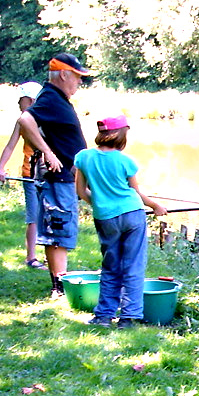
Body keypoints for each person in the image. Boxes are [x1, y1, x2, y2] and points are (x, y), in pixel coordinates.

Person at [73, 115, 167, 328]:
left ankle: (104, 316)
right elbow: (136, 193)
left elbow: (80, 190)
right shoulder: (126, 161)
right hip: (133, 214)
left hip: (105, 218)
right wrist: (156, 207)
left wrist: (99, 203)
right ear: (121, 135)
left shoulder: (83, 157)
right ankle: (129, 317)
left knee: (111, 266)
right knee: (133, 266)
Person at [16, 52, 92, 298]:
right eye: (77, 77)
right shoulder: (50, 96)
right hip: (58, 178)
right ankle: (59, 288)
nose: (79, 83)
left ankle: (59, 285)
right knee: (58, 231)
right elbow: (25, 120)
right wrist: (47, 152)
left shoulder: (57, 98)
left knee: (58, 231)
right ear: (63, 74)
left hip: (66, 177)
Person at [0, 81, 46, 269]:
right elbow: (10, 146)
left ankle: (51, 256)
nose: (18, 104)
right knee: (33, 217)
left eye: (20, 100)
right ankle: (31, 257)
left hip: (48, 176)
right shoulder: (22, 121)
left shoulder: (48, 120)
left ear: (30, 100)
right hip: (29, 175)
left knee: (49, 216)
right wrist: (0, 168)